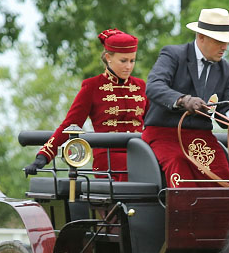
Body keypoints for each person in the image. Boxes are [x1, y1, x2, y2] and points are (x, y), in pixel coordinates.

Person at [141, 8, 229, 187]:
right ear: (201, 36)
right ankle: (183, 214)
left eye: (227, 42)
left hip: (201, 136)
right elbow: (154, 86)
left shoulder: (228, 71)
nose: (224, 47)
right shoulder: (173, 55)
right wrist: (183, 100)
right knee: (179, 164)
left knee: (225, 175)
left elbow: (224, 114)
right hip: (163, 133)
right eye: (219, 41)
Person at [24, 29, 147, 181]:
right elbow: (70, 124)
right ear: (108, 57)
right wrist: (43, 156)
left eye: (132, 61)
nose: (129, 66)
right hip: (108, 159)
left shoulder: (141, 86)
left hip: (140, 153)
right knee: (131, 170)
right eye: (123, 61)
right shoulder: (92, 87)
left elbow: (153, 123)